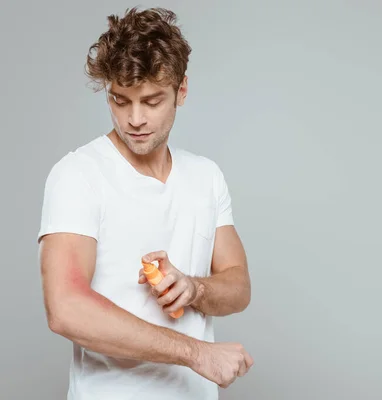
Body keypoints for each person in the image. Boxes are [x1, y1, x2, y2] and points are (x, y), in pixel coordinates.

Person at [37, 7, 253, 399]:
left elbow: (238, 285)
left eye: (152, 101)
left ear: (181, 91)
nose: (134, 119)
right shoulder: (78, 175)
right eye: (121, 100)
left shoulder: (206, 176)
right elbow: (65, 307)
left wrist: (193, 288)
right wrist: (195, 354)